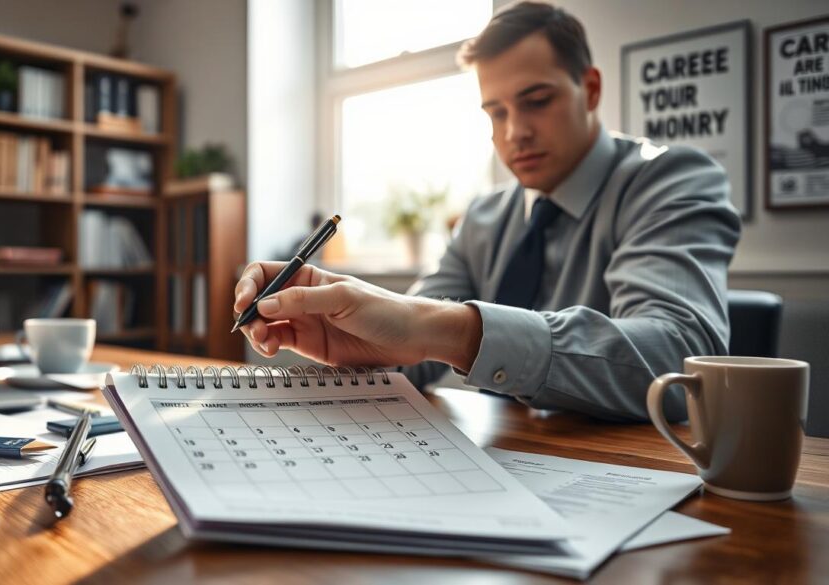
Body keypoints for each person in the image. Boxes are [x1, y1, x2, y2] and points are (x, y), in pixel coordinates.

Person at [233, 1, 741, 422]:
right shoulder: (484, 218)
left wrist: (455, 331)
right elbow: (410, 348)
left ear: (589, 89)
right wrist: (346, 343)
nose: (514, 131)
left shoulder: (670, 181)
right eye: (495, 112)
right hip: (500, 462)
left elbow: (683, 365)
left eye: (536, 101)